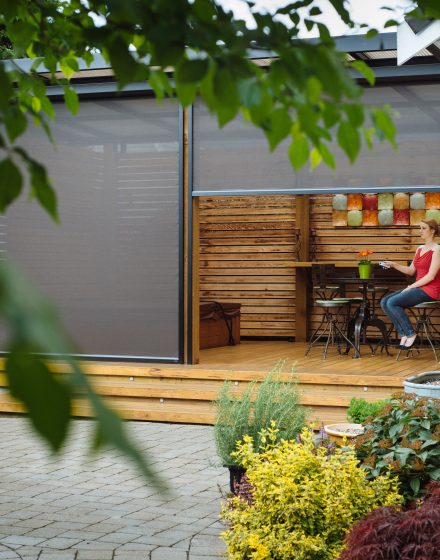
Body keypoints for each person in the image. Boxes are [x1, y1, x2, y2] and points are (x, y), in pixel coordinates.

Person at [381, 219, 440, 349]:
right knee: (384, 302)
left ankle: (410, 334)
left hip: (430, 290)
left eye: (423, 228)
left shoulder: (437, 250)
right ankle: (403, 334)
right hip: (418, 287)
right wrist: (394, 264)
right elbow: (411, 271)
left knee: (392, 302)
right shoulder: (419, 249)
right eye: (420, 228)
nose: (420, 231)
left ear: (432, 231)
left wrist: (411, 286)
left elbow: (431, 276)